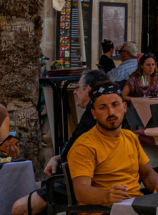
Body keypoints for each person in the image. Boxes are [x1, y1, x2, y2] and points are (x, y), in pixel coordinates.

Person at [16, 70, 110, 215]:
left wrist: (59, 159)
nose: (74, 92)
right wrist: (57, 158)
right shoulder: (92, 113)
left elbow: (80, 150)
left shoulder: (96, 114)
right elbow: (75, 145)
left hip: (79, 182)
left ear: (89, 90)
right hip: (73, 177)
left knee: (19, 208)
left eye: (78, 87)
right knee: (26, 188)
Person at [67, 83, 158, 206]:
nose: (111, 112)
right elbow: (80, 190)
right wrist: (106, 196)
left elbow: (147, 173)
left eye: (115, 105)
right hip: (104, 210)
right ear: (94, 114)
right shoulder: (84, 145)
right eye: (103, 107)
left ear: (124, 107)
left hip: (137, 205)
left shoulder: (130, 137)